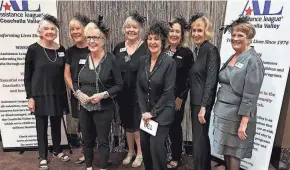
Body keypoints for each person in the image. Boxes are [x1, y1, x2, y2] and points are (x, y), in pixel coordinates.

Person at [213, 16, 264, 170]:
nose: (235, 38)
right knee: (227, 153)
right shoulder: (235, 56)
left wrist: (243, 124)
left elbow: (251, 95)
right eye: (233, 35)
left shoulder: (253, 60)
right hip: (224, 113)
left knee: (234, 154)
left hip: (237, 116)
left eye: (240, 35)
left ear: (249, 38)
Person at [72, 16, 123, 170]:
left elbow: (119, 85)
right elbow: (75, 81)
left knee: (102, 140)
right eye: (88, 37)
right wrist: (79, 94)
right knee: (86, 140)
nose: (91, 41)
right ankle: (88, 167)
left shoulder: (111, 60)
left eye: (95, 37)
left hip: (104, 108)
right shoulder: (82, 58)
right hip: (84, 108)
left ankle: (102, 168)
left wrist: (102, 95)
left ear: (103, 39)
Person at [24, 14, 70, 170]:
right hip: (39, 94)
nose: (50, 31)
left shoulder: (61, 49)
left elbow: (66, 73)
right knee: (41, 126)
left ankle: (57, 150)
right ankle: (43, 155)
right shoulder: (33, 49)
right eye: (46, 28)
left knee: (56, 124)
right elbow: (27, 76)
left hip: (57, 94)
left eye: (53, 28)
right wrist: (30, 97)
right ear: (40, 31)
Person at [137, 20, 176, 170]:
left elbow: (168, 92)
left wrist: (152, 113)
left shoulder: (169, 62)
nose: (152, 42)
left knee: (156, 147)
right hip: (146, 112)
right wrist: (143, 111)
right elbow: (139, 88)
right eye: (150, 38)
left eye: (156, 39)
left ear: (163, 42)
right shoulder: (143, 60)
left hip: (163, 112)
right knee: (145, 147)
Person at [113, 11, 148, 167]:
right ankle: (130, 152)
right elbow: (113, 70)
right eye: (128, 27)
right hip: (123, 94)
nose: (131, 30)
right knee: (127, 125)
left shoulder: (146, 47)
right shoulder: (119, 47)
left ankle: (140, 153)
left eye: (134, 27)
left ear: (140, 29)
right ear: (124, 29)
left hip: (140, 94)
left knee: (137, 126)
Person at [188, 13, 220, 170]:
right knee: (200, 140)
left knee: (199, 141)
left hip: (202, 104)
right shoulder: (198, 50)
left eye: (199, 30)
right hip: (196, 102)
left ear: (207, 31)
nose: (195, 34)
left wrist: (204, 106)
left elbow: (211, 81)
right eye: (193, 30)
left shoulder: (211, 50)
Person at [166, 15, 193, 169]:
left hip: (177, 98)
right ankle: (163, 152)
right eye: (171, 31)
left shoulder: (186, 53)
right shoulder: (163, 51)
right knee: (163, 126)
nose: (174, 34)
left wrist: (181, 98)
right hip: (162, 98)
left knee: (175, 126)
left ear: (182, 35)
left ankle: (176, 156)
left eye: (177, 31)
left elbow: (189, 78)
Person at [64, 13, 90, 165]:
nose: (74, 32)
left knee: (93, 123)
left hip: (94, 95)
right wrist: (75, 91)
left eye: (77, 28)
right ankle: (84, 152)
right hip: (77, 94)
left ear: (85, 29)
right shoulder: (70, 52)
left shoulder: (93, 47)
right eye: (71, 29)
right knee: (81, 123)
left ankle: (95, 151)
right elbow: (66, 74)